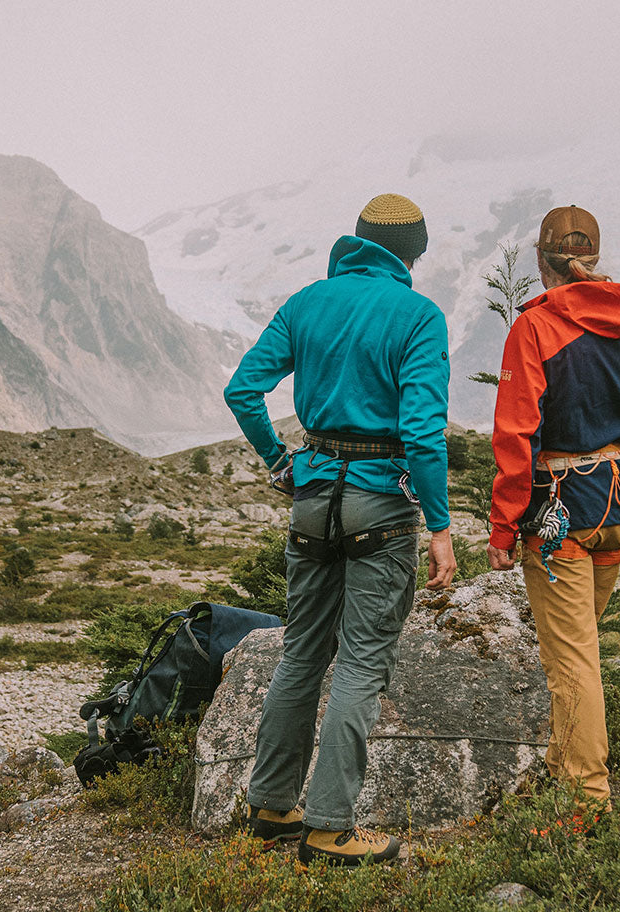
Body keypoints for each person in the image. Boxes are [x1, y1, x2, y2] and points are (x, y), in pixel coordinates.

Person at [223, 193, 456, 866]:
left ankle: (271, 804)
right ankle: (329, 827)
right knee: (359, 664)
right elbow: (420, 432)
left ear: (353, 242)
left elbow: (243, 389)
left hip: (313, 497)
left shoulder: (306, 303)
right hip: (380, 506)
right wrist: (439, 527)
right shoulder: (419, 316)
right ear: (414, 251)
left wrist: (279, 462)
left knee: (301, 652)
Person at [485, 205, 620, 810]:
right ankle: (562, 766)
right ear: (594, 255)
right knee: (580, 646)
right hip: (619, 508)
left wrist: (503, 525)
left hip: (557, 513)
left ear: (543, 264)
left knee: (571, 659)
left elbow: (517, 437)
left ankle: (586, 800)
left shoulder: (535, 329)